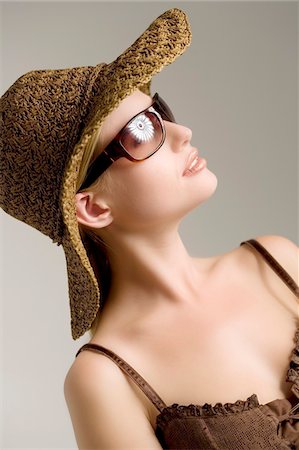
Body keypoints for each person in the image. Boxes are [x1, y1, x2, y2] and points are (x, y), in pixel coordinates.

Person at [1, 8, 298, 450]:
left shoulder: (276, 262)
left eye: (160, 111)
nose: (183, 132)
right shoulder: (104, 379)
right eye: (142, 131)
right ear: (92, 206)